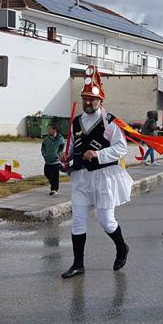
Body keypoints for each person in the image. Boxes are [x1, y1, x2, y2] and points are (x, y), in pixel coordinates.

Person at [59, 66, 132, 278]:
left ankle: (122, 247)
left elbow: (121, 148)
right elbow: (73, 146)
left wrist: (98, 155)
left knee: (105, 220)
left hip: (104, 177)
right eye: (85, 99)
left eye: (92, 99)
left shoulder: (110, 121)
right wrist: (67, 156)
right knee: (78, 220)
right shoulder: (76, 121)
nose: (88, 102)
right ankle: (78, 264)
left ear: (100, 100)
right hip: (81, 176)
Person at [42, 122, 65, 195]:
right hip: (47, 161)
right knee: (47, 173)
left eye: (49, 129)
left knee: (55, 176)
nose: (48, 130)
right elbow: (43, 148)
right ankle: (53, 185)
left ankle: (54, 189)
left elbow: (61, 149)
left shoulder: (60, 139)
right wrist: (44, 155)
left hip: (56, 162)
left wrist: (57, 155)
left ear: (54, 130)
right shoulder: (46, 139)